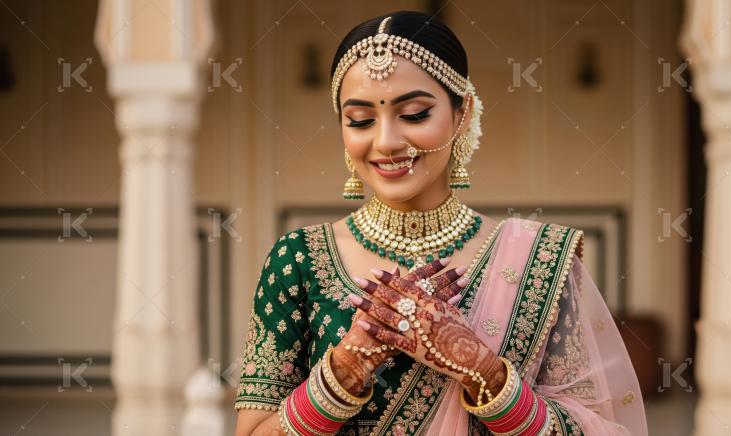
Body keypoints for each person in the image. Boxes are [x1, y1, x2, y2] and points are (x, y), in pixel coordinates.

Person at [233, 10, 647, 436]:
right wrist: (343, 370)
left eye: (414, 114)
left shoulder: (539, 259)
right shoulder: (298, 259)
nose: (386, 141)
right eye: (359, 120)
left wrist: (481, 369)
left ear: (462, 113)